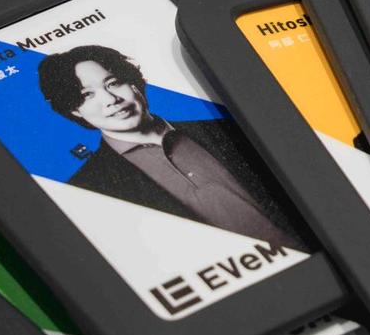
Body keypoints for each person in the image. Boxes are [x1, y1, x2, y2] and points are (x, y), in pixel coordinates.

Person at [36, 43, 302, 250]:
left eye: (113, 83)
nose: (110, 99)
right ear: (75, 111)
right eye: (87, 95)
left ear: (134, 84)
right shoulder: (87, 191)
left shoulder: (227, 127)